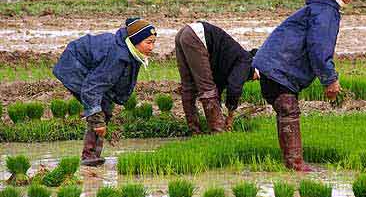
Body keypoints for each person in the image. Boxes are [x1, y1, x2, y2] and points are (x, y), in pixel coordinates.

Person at [252, 0, 366, 171]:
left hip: (272, 66)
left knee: (286, 111)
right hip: (280, 69)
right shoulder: (325, 12)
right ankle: (296, 166)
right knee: (288, 109)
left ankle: (292, 164)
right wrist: (330, 79)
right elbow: (319, 48)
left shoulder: (318, 9)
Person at [53, 18, 157, 166]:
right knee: (98, 109)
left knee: (105, 107)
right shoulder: (116, 57)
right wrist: (97, 120)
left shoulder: (131, 51)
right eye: (148, 42)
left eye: (153, 42)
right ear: (135, 41)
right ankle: (89, 156)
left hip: (92, 69)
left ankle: (93, 156)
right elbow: (92, 89)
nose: (152, 47)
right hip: (74, 66)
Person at [175, 21, 259, 134]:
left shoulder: (232, 62)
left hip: (183, 33)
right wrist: (230, 114)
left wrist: (220, 110)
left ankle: (195, 131)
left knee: (189, 87)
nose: (254, 80)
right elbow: (234, 88)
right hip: (197, 36)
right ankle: (218, 132)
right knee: (207, 88)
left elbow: (218, 89)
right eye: (257, 77)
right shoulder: (246, 61)